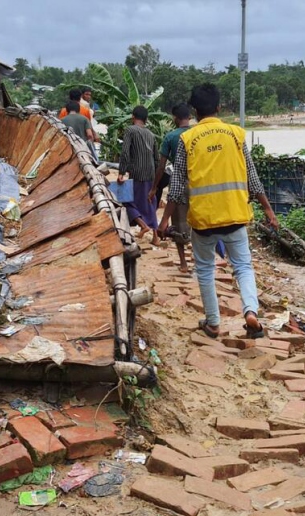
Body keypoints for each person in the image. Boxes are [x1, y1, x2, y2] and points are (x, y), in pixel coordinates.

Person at [157, 83, 280, 340]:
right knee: (243, 266)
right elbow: (252, 178)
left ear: (194, 110)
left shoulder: (187, 139)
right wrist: (269, 210)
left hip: (203, 220)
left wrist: (164, 220)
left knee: (204, 269)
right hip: (235, 214)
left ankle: (213, 322)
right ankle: (250, 312)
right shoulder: (236, 134)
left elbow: (177, 187)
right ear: (219, 107)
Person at [151, 104, 193, 271]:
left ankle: (183, 263)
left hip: (180, 182)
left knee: (179, 222)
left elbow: (161, 166)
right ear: (189, 117)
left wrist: (154, 187)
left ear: (175, 118)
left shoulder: (171, 137)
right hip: (200, 182)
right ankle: (202, 260)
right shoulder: (196, 134)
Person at [119, 105, 160, 244]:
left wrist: (121, 172)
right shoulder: (151, 134)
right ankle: (156, 237)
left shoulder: (130, 130)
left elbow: (125, 152)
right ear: (146, 119)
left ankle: (143, 225)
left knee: (127, 200)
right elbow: (156, 158)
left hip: (136, 172)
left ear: (133, 117)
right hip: (151, 173)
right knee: (150, 202)